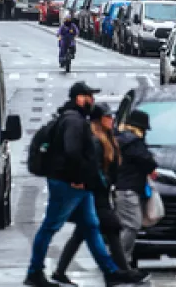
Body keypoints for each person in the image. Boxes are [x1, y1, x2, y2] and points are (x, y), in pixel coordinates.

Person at [24, 82, 148, 287]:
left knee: (91, 226)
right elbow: (72, 151)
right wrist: (79, 178)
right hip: (68, 184)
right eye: (89, 96)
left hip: (77, 184)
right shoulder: (74, 121)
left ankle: (111, 271)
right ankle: (35, 271)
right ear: (79, 98)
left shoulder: (73, 118)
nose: (92, 100)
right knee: (50, 226)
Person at [52, 103, 129, 285]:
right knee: (112, 228)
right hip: (94, 193)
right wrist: (102, 183)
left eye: (112, 117)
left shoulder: (106, 138)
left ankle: (60, 271)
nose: (111, 120)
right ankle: (122, 272)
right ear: (99, 120)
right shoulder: (95, 141)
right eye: (108, 117)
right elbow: (92, 168)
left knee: (82, 233)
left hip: (97, 192)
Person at [114, 110, 156, 267]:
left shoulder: (122, 140)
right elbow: (147, 161)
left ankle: (123, 259)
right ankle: (122, 261)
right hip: (129, 189)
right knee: (132, 225)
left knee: (128, 225)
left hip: (122, 188)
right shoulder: (134, 143)